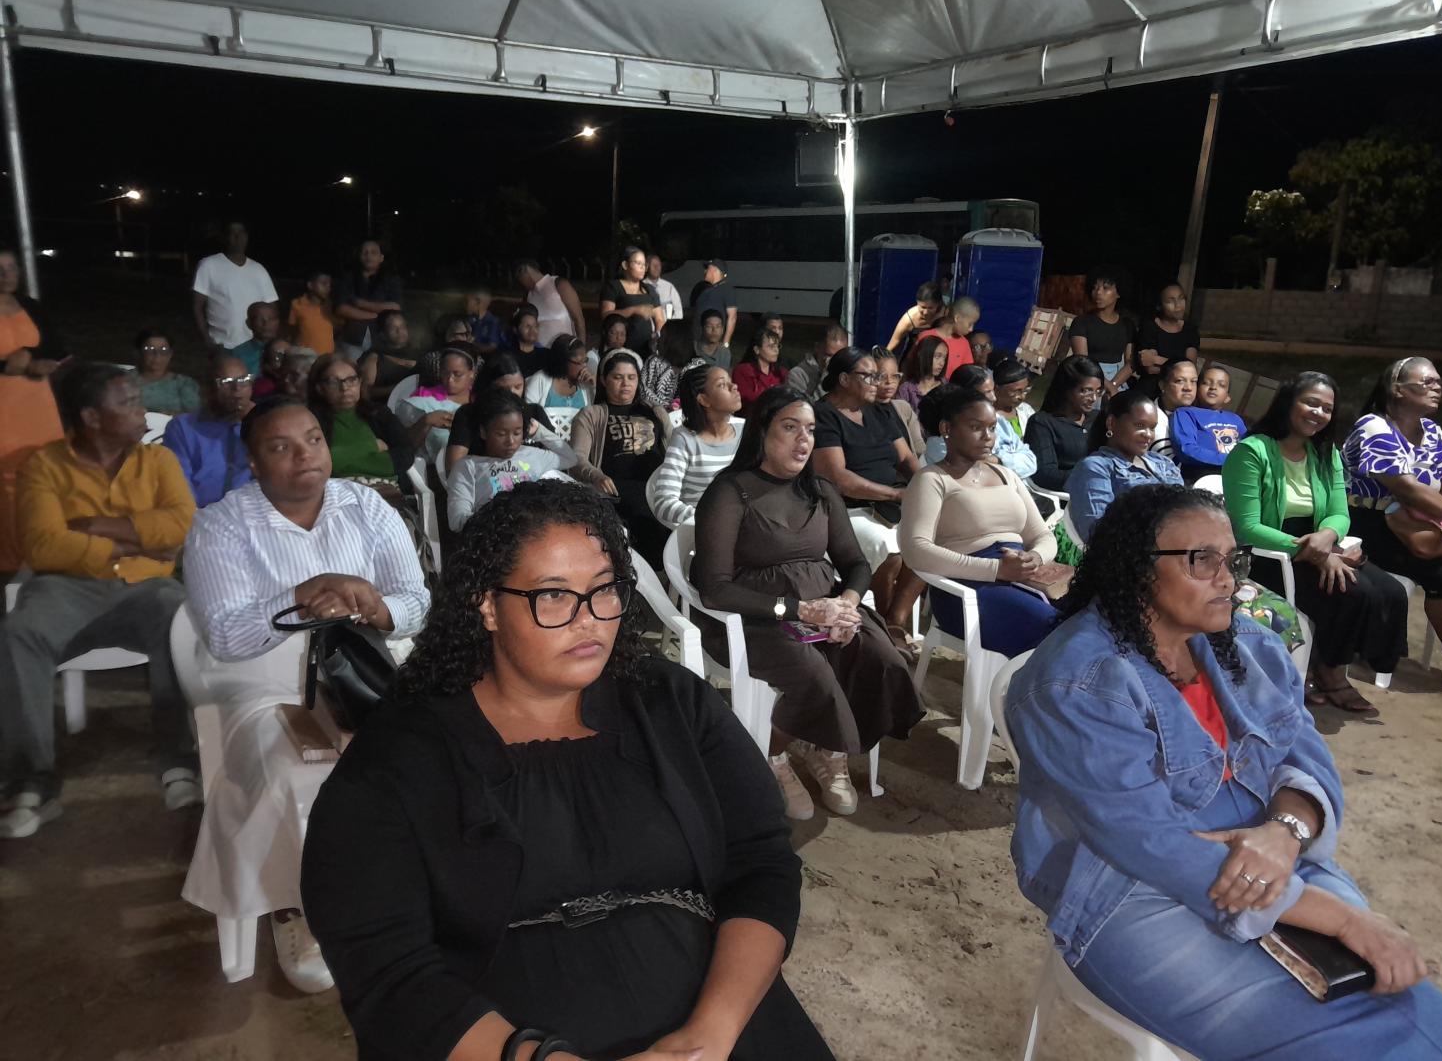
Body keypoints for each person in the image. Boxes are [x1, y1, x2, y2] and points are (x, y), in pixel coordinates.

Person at [302, 479, 833, 1060]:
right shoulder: (402, 757)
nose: (590, 620)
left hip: (719, 1013)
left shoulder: (671, 704)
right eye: (553, 596)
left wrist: (708, 1037)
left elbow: (761, 864)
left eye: (605, 590)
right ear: (486, 605)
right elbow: (384, 964)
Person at [1005, 483, 1442, 1060]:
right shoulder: (1077, 681)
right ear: (1137, 568)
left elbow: (1306, 755)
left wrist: (1283, 834)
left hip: (1279, 858)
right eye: (1201, 560)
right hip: (1133, 892)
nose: (1229, 579)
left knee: (1413, 1009)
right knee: (1354, 1039)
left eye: (1231, 558)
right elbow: (1147, 841)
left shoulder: (1248, 644)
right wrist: (1339, 919)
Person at [182, 396, 429, 995]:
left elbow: (416, 600)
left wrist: (379, 606)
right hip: (266, 678)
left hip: (368, 668)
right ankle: (298, 907)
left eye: (313, 439)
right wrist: (305, 593)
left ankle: (416, 894)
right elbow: (225, 633)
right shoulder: (221, 526)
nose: (305, 456)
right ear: (252, 461)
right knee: (302, 773)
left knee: (441, 747)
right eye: (281, 446)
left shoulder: (366, 506)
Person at [692, 387, 923, 821]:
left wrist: (848, 605)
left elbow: (854, 563)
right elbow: (715, 589)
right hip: (754, 617)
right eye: (790, 427)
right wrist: (799, 611)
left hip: (827, 608)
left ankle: (825, 746)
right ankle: (774, 757)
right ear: (762, 431)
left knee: (883, 658)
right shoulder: (730, 492)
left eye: (811, 430)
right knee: (812, 673)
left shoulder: (819, 491)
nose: (803, 440)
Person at [1, 364, 196, 839]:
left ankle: (179, 762)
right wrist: (136, 543)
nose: (140, 412)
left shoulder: (158, 461)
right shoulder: (45, 466)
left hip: (145, 590)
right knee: (18, 631)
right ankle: (32, 781)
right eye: (127, 402)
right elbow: (43, 546)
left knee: (176, 617)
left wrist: (98, 527)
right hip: (65, 587)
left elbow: (182, 526)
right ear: (91, 416)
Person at [1224, 372, 1408, 716]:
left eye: (1326, 408)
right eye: (1311, 402)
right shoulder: (1251, 451)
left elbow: (1340, 514)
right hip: (1270, 553)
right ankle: (1331, 673)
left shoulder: (1327, 454)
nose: (1318, 413)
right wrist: (1311, 551)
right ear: (1288, 401)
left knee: (1390, 591)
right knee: (1353, 592)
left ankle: (1337, 660)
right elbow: (1246, 527)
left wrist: (1326, 539)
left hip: (1317, 544)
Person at [901, 387, 1059, 657]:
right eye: (976, 427)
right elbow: (916, 549)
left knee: (1088, 623)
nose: (988, 437)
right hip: (966, 589)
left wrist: (1035, 557)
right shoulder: (932, 479)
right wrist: (995, 569)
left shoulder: (1006, 475)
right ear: (946, 428)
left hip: (1020, 577)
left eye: (992, 428)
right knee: (1056, 631)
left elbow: (1044, 535)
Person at [810, 347, 923, 651]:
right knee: (891, 551)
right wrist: (897, 493)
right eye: (869, 375)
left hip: (887, 504)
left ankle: (894, 620)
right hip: (847, 509)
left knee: (929, 539)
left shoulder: (878, 411)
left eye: (879, 375)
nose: (877, 382)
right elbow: (839, 479)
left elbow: (907, 460)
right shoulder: (823, 415)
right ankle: (884, 625)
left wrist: (926, 484)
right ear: (844, 378)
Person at [1342, 356, 1442, 669]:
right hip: (1368, 522)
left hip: (1413, 522)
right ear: (1398, 389)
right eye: (1427, 381)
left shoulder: (1433, 432)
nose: (1437, 387)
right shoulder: (1374, 427)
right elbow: (1407, 489)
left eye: (1439, 382)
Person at [570, 349, 673, 568]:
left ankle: (662, 575)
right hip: (614, 489)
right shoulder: (591, 414)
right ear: (604, 381)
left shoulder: (655, 412)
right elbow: (577, 458)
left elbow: (674, 448)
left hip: (655, 486)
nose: (625, 383)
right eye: (617, 377)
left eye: (631, 377)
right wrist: (596, 475)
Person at [0, 248, 66, 575]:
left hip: (39, 405)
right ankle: (10, 562)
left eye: (11, 267)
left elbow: (56, 346)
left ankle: (47, 550)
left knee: (45, 474)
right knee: (9, 483)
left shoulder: (31, 306)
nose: (7, 274)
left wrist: (35, 356)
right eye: (0, 268)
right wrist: (5, 365)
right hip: (4, 409)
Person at [446, 390, 578, 531]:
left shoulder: (532, 455)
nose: (511, 441)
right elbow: (457, 520)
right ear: (483, 432)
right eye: (501, 434)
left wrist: (539, 431)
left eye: (517, 433)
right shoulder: (468, 466)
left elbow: (570, 458)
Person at [1065, 389, 1181, 542]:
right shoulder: (1096, 468)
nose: (1148, 434)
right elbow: (1098, 532)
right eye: (1140, 425)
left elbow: (1185, 509)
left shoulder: (1164, 463)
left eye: (1152, 428)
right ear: (1111, 423)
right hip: (1137, 553)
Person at [648, 364, 744, 529]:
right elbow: (664, 503)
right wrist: (709, 518)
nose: (733, 386)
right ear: (704, 399)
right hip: (705, 532)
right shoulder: (685, 439)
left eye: (730, 381)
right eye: (722, 384)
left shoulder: (746, 432)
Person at [161, 355, 255, 508]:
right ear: (206, 389)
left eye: (244, 380)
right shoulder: (183, 428)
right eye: (226, 382)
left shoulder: (262, 424)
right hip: (200, 518)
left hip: (253, 518)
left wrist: (256, 424)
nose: (237, 388)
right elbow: (179, 490)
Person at [306, 354, 414, 484]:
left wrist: (343, 459)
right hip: (336, 493)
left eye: (351, 380)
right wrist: (371, 446)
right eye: (334, 382)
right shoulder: (310, 420)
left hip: (385, 491)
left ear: (360, 382)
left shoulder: (378, 413)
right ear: (320, 388)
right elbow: (316, 463)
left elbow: (406, 455)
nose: (345, 388)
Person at [446, 352, 557, 474]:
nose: (513, 394)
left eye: (518, 386)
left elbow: (557, 455)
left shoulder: (535, 412)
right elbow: (454, 468)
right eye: (504, 389)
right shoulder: (468, 414)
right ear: (488, 387)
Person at [191, 221, 278, 353]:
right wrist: (206, 339)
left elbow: (272, 307)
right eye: (233, 233)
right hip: (223, 345)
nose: (238, 237)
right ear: (224, 238)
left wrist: (271, 338)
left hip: (256, 345)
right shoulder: (208, 265)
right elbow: (197, 306)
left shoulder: (258, 270)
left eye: (241, 233)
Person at [1024, 355, 1103, 492]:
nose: (1093, 398)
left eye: (1098, 391)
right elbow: (1045, 475)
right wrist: (1092, 476)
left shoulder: (1098, 419)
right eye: (1086, 391)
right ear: (1066, 389)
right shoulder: (1043, 423)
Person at [395, 345, 476, 466]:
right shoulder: (423, 398)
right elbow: (405, 445)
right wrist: (426, 421)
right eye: (445, 373)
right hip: (435, 468)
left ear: (471, 373)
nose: (449, 380)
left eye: (457, 374)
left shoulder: (480, 400)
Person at [1173, 364, 1247, 481]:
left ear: (1227, 397)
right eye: (1206, 383)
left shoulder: (1235, 419)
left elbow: (1247, 449)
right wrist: (1230, 460)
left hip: (1234, 480)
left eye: (1221, 385)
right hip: (1199, 478)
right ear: (1196, 389)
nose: (1213, 387)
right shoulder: (1186, 413)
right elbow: (1187, 449)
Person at [1067, 269, 1134, 396]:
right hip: (1089, 379)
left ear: (1119, 293)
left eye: (1105, 288)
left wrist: (1114, 385)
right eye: (1095, 288)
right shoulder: (1081, 322)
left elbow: (1130, 362)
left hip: (1118, 381)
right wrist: (1108, 386)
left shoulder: (1127, 325)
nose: (1098, 292)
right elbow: (1083, 361)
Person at [334, 240, 403, 361]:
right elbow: (341, 309)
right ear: (359, 256)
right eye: (364, 252)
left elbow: (395, 307)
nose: (369, 256)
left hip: (382, 339)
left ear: (381, 257)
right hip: (352, 339)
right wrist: (375, 313)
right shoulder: (347, 279)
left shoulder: (391, 280)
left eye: (373, 252)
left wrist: (359, 303)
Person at [1133, 281, 1198, 395]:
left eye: (1181, 298)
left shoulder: (1190, 330)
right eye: (1170, 301)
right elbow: (1150, 368)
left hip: (1180, 390)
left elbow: (1189, 368)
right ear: (1159, 306)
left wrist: (1156, 359)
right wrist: (1179, 369)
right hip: (1151, 388)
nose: (1178, 305)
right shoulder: (1150, 327)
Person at [600, 245, 666, 350]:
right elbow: (605, 316)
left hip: (646, 348)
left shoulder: (649, 290)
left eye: (644, 264)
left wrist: (656, 339)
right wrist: (633, 310)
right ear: (625, 265)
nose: (642, 267)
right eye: (638, 263)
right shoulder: (613, 287)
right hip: (620, 348)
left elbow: (659, 319)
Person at [514, 259, 587, 347]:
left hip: (564, 351)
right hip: (540, 353)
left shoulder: (558, 284)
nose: (520, 284)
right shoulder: (528, 296)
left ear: (524, 272)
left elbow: (578, 319)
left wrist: (581, 348)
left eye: (519, 279)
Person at [871, 347, 926, 459]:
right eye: (882, 376)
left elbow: (919, 447)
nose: (889, 382)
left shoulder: (903, 407)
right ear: (871, 377)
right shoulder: (862, 411)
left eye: (895, 376)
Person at [133, 329, 200, 415]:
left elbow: (194, 416)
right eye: (149, 349)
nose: (157, 355)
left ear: (170, 354)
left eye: (163, 350)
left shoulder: (183, 384)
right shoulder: (124, 381)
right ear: (139, 352)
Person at [358, 309, 419, 404]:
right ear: (382, 334)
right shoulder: (373, 357)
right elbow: (365, 393)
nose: (400, 331)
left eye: (402, 326)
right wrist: (398, 388)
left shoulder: (419, 354)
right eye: (393, 328)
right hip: (386, 407)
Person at [643, 321, 708, 409]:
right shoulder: (654, 361)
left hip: (688, 417)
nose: (658, 339)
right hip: (654, 414)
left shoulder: (698, 365)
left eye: (662, 336)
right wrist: (666, 406)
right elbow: (642, 390)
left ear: (672, 340)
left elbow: (698, 396)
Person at [785, 322, 850, 402]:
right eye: (829, 355)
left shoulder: (847, 373)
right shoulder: (797, 375)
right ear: (817, 348)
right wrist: (826, 377)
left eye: (839, 355)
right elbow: (802, 410)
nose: (835, 360)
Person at [732, 326, 789, 416]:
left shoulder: (782, 373)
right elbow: (745, 399)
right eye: (771, 346)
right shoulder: (743, 370)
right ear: (757, 349)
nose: (776, 350)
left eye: (778, 346)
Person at [1149, 358, 1200, 460]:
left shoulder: (1198, 414)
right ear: (1162, 385)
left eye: (1193, 381)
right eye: (1180, 381)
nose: (1188, 388)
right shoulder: (1151, 421)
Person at [525, 337, 594, 411]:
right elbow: (528, 414)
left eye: (585, 360)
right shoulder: (540, 380)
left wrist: (594, 387)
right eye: (580, 362)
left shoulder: (585, 385)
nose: (585, 366)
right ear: (563, 361)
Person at [884, 281, 944, 361]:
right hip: (914, 359)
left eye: (930, 308)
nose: (925, 313)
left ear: (938, 304)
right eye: (922, 307)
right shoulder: (910, 318)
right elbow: (894, 342)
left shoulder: (945, 315)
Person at [287, 268, 337, 355]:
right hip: (305, 356)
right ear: (310, 285)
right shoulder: (297, 304)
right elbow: (291, 330)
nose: (328, 288)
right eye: (324, 283)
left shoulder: (331, 306)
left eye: (329, 285)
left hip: (327, 357)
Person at [691, 257, 738, 349]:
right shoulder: (706, 289)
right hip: (698, 340)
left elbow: (732, 317)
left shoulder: (727, 289)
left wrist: (725, 343)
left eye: (707, 268)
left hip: (712, 342)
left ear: (715, 270)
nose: (705, 271)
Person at [934, 296, 982, 379]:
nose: (971, 329)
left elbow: (967, 376)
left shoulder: (964, 344)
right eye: (970, 324)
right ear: (957, 318)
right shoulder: (926, 337)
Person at [896, 334, 947, 412]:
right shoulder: (906, 390)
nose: (942, 363)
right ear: (924, 356)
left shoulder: (946, 386)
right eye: (937, 356)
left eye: (944, 358)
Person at [234, 300, 282, 378]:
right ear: (249, 323)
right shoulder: (237, 354)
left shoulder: (287, 350)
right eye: (259, 319)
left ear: (278, 322)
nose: (266, 323)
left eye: (271, 319)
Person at [992, 356, 1035, 438]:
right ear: (997, 389)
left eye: (1024, 391)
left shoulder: (1027, 411)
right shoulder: (986, 417)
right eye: (1016, 391)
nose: (1022, 397)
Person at [507, 302, 550, 376]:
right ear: (515, 329)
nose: (533, 330)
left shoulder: (547, 355)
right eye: (527, 326)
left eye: (535, 326)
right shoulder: (507, 357)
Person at [464, 287, 507, 353]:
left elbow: (492, 347)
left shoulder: (493, 323)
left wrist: (471, 343)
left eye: (467, 301)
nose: (465, 305)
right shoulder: (469, 319)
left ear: (478, 303)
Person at [645, 251, 684, 320]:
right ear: (646, 267)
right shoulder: (641, 286)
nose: (657, 268)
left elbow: (678, 311)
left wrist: (670, 324)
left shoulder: (669, 287)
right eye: (654, 265)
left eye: (659, 265)